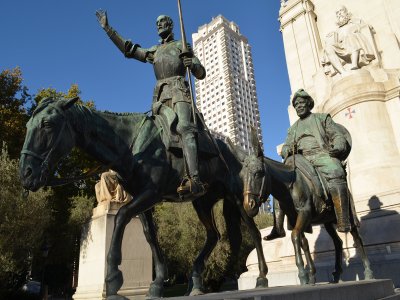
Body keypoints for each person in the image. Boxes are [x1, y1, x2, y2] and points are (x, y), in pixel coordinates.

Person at [96, 11, 207, 197]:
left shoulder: (182, 45)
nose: (160, 24)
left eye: (163, 21)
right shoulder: (154, 51)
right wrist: (109, 30)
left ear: (171, 25)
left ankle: (195, 180)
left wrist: (192, 64)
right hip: (160, 98)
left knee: (185, 128)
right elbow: (130, 50)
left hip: (179, 92)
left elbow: (201, 72)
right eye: (157, 23)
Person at [267, 89, 351, 239]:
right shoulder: (293, 128)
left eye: (301, 103)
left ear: (308, 104)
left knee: (335, 171)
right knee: (279, 181)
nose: (298, 106)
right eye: (296, 104)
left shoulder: (322, 118)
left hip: (322, 155)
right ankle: (278, 227)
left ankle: (343, 218)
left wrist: (338, 145)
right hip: (301, 160)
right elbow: (286, 146)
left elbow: (337, 135)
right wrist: (288, 150)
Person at [321, 6, 375, 76]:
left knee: (350, 36)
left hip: (352, 42)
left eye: (341, 11)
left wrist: (355, 28)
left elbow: (366, 26)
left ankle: (354, 63)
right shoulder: (337, 30)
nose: (339, 14)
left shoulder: (355, 21)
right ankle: (343, 72)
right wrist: (330, 37)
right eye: (337, 13)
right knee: (328, 48)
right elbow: (335, 41)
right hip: (341, 47)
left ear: (346, 12)